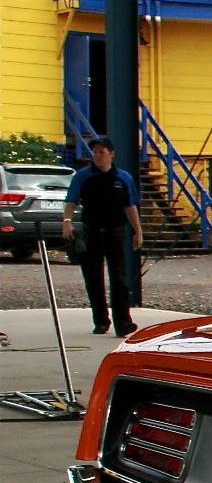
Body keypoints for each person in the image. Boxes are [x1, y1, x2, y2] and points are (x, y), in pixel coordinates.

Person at [62, 137, 142, 336]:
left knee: (119, 279)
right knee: (93, 278)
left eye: (101, 152)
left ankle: (122, 322)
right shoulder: (83, 176)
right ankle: (100, 321)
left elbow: (130, 205)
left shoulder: (123, 178)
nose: (97, 156)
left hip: (116, 233)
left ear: (111, 154)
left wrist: (138, 231)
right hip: (91, 233)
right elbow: (71, 200)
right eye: (95, 152)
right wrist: (67, 222)